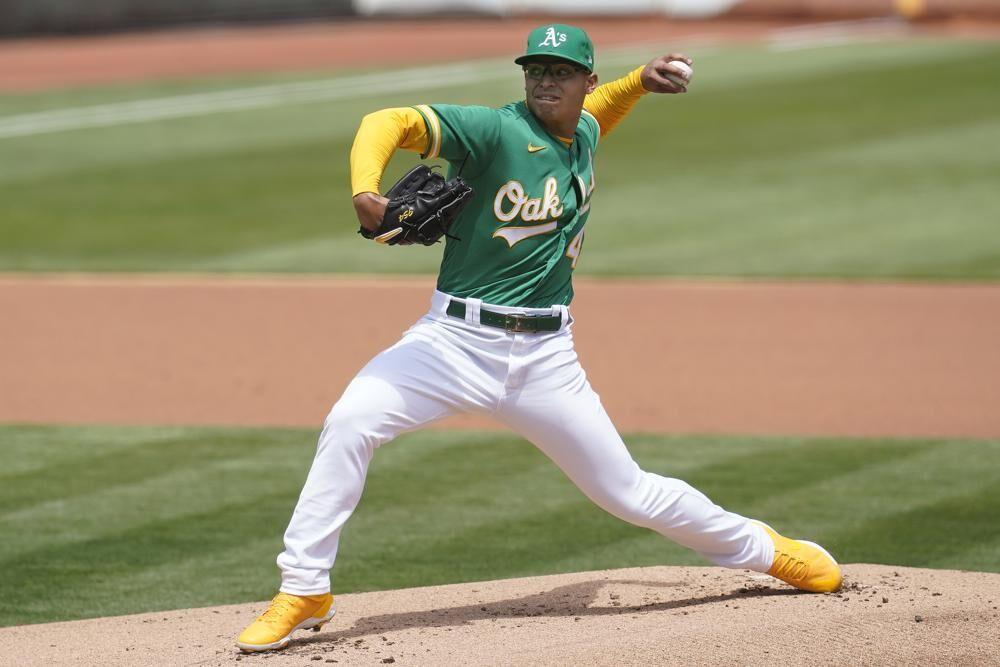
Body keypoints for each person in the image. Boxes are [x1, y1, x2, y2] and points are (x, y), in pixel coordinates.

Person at [236, 23, 842, 653]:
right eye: (535, 71)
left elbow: (596, 117)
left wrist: (639, 82)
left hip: (547, 360)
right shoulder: (494, 130)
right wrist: (365, 191)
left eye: (560, 72)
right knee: (350, 422)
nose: (545, 82)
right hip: (451, 344)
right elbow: (387, 120)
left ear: (586, 80)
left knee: (627, 493)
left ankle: (765, 550)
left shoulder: (580, 130)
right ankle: (304, 586)